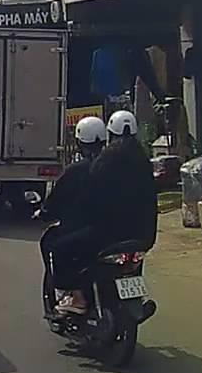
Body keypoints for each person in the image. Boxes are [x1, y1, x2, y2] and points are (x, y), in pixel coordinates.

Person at [56, 110, 157, 314]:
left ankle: (77, 298)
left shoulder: (106, 162)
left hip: (110, 233)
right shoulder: (143, 161)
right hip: (145, 235)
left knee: (61, 248)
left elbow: (91, 199)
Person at [39, 116, 106, 316]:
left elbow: (55, 199)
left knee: (54, 245)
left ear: (79, 142)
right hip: (117, 230)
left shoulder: (76, 171)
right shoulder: (113, 167)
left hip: (87, 231)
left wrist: (43, 213)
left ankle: (76, 297)